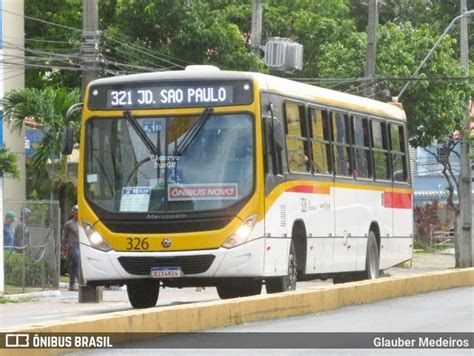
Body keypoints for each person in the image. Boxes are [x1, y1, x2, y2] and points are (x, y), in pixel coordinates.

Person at [63, 205, 79, 291]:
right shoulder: (68, 224)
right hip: (73, 247)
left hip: (81, 247)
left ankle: (72, 284)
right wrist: (63, 249)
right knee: (78, 261)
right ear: (73, 213)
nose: (77, 214)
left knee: (74, 265)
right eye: (76, 213)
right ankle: (81, 282)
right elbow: (65, 237)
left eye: (79, 213)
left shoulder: (83, 223)